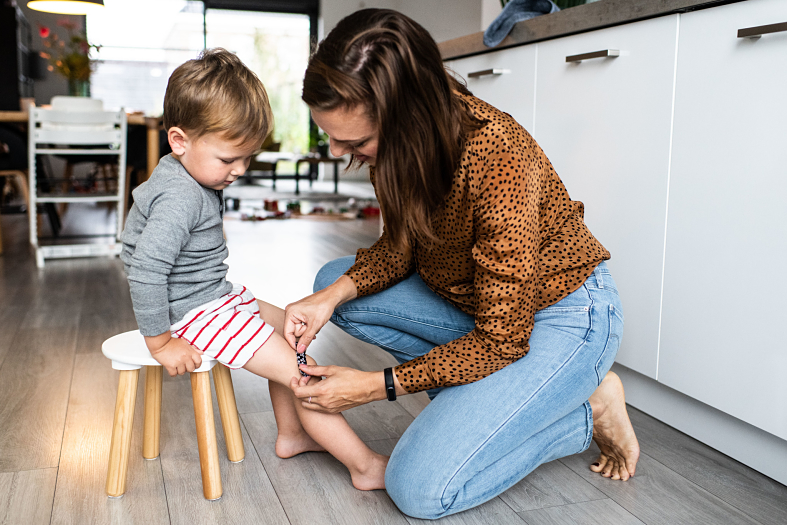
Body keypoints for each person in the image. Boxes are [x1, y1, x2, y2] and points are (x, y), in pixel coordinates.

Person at [282, 9, 641, 519]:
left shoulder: (498, 156)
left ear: (408, 117)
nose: (342, 154)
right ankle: (506, 399)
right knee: (331, 282)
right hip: (479, 308)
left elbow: (502, 339)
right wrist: (329, 297)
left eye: (356, 142)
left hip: (562, 314)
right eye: (331, 137)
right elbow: (399, 248)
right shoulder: (403, 150)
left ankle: (586, 409)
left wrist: (374, 386)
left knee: (420, 489)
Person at [119, 48, 387, 491]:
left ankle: (293, 434)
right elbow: (146, 270)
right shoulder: (179, 197)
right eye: (229, 160)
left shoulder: (190, 174)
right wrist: (161, 342)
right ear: (179, 141)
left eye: (248, 158)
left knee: (290, 332)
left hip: (212, 295)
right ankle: (363, 466)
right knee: (304, 372)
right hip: (192, 312)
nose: (239, 171)